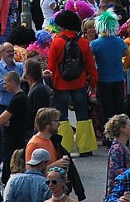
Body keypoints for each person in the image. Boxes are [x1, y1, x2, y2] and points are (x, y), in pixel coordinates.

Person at [46, 9, 98, 154]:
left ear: (62, 25)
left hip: (60, 84)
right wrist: (93, 85)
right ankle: (85, 147)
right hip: (79, 83)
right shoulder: (83, 42)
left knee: (62, 116)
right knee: (82, 115)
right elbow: (91, 67)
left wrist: (52, 83)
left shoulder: (56, 42)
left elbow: (51, 67)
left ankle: (64, 147)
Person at [90, 10, 127, 126]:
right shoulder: (119, 42)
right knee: (119, 109)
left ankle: (109, 135)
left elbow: (92, 61)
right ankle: (122, 133)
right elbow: (127, 53)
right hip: (119, 79)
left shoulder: (95, 44)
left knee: (106, 111)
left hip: (103, 80)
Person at [0, 71, 32, 182]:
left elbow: (0, 120)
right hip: (20, 137)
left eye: (5, 83)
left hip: (12, 140)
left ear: (12, 83)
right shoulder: (24, 97)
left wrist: (6, 121)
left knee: (9, 168)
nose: (4, 86)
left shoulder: (17, 99)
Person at [105, 115, 130, 200]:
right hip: (119, 194)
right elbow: (115, 172)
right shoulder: (117, 149)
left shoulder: (123, 147)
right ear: (122, 129)